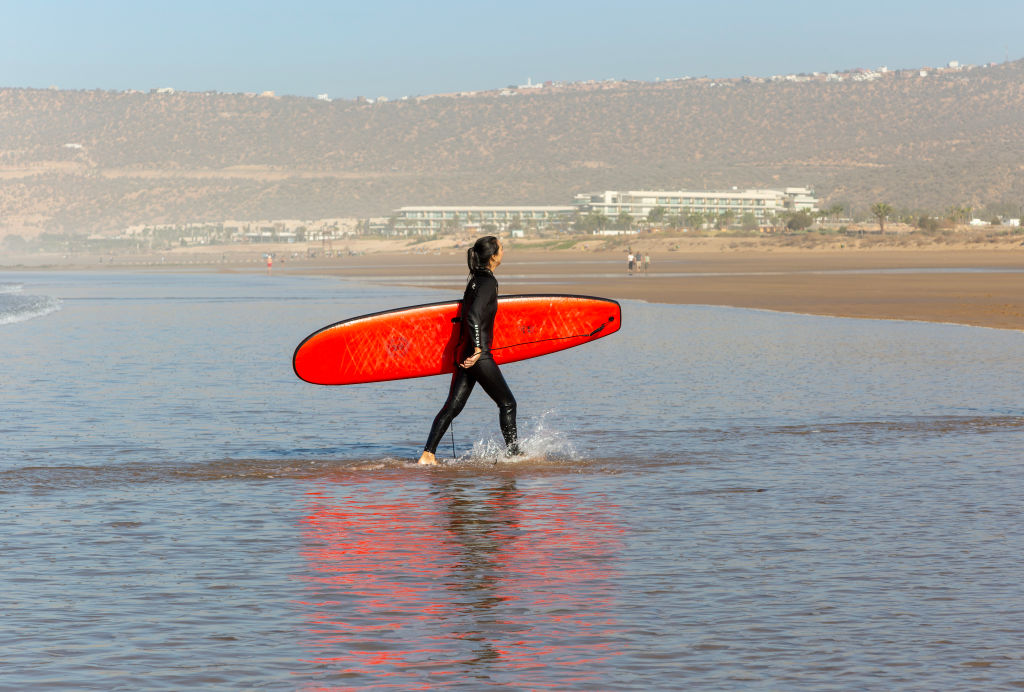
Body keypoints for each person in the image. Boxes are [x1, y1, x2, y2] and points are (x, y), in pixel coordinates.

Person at [418, 236, 519, 465]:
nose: (504, 251)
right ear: (493, 256)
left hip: (466, 354)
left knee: (453, 407)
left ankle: (428, 455)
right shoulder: (488, 283)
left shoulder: (474, 280)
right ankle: (514, 455)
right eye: (501, 248)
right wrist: (477, 349)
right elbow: (472, 316)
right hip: (478, 356)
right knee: (508, 404)